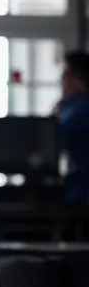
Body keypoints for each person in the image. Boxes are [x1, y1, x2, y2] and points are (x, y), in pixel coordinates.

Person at [55, 50, 89, 204]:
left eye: (65, 73)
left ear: (76, 77)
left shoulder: (81, 107)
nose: (61, 78)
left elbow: (55, 136)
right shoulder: (71, 105)